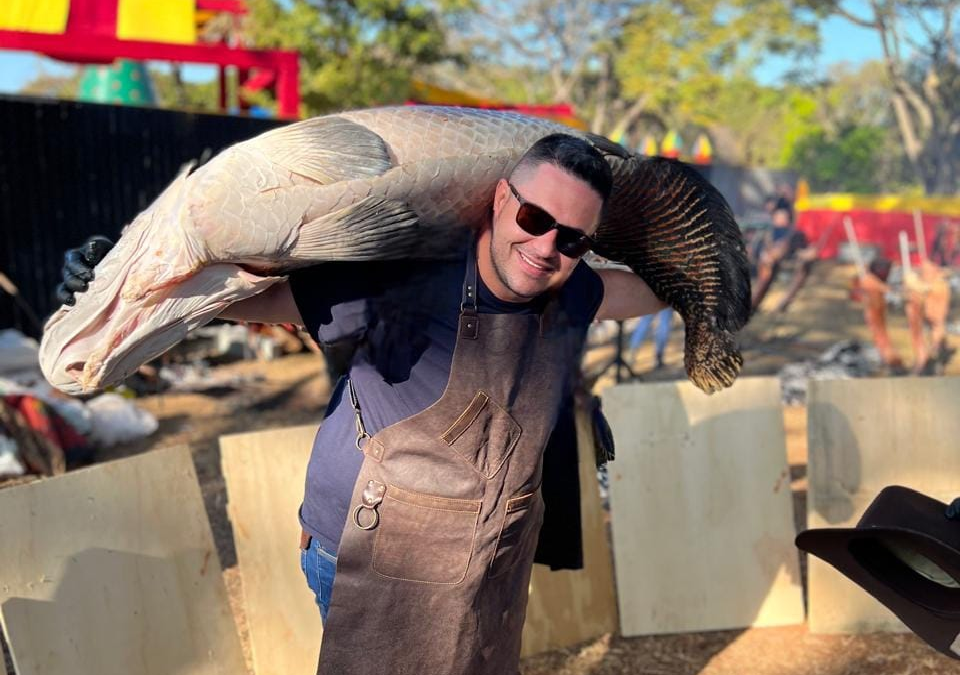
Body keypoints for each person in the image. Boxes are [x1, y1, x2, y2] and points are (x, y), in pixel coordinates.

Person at [56, 133, 666, 675]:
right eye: (534, 217)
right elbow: (245, 301)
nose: (546, 246)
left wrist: (702, 263)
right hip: (376, 556)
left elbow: (655, 291)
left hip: (488, 561)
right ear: (502, 198)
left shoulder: (573, 289)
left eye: (573, 237)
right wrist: (119, 277)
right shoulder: (399, 277)